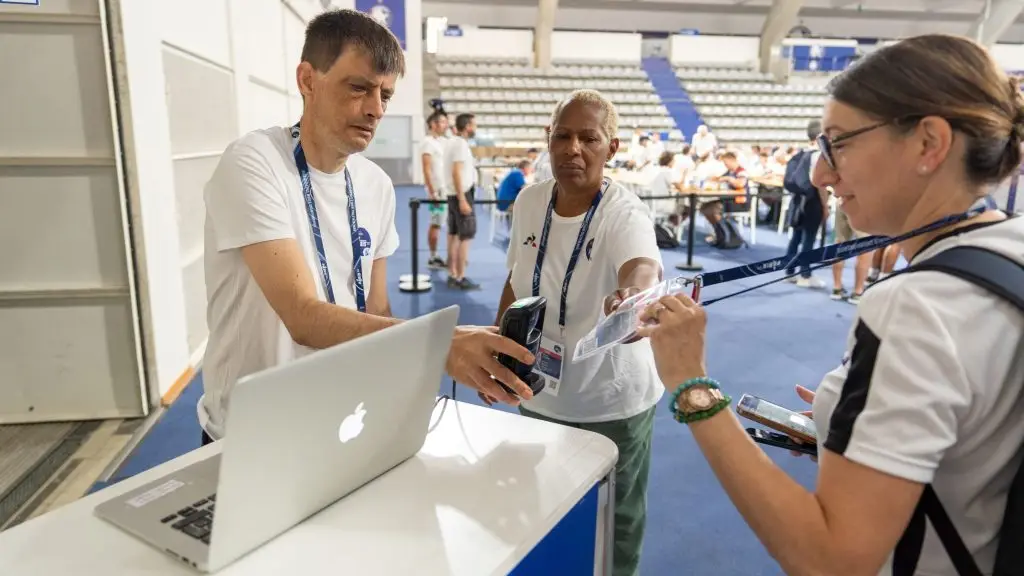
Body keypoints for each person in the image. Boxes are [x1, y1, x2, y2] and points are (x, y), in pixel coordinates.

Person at [639, 34, 1024, 575]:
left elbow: (829, 559)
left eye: (838, 143)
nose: (821, 173)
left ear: (928, 144)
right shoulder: (1009, 246)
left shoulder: (915, 306)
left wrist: (691, 385)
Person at [200, 9, 536, 443]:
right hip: (251, 434)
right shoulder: (254, 163)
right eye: (359, 88)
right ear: (307, 80)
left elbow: (375, 311)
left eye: (386, 95)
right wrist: (440, 344)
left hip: (341, 422)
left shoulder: (375, 185)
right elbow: (302, 317)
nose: (376, 109)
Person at [490, 89, 664, 576]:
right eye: (563, 136)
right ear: (548, 141)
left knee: (616, 523)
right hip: (538, 392)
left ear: (612, 148)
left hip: (611, 402)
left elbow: (642, 268)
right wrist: (503, 357)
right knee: (539, 509)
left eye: (589, 138)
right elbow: (515, 281)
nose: (573, 149)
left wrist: (632, 297)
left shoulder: (623, 212)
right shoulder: (528, 202)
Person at [783, 120, 829, 288]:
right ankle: (805, 274)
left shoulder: (800, 154)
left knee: (796, 236)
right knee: (809, 238)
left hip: (797, 200)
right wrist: (825, 206)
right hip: (812, 201)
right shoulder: (817, 155)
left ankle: (789, 270)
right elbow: (820, 184)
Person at [444, 113, 480, 290]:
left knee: (455, 235)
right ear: (467, 127)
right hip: (461, 194)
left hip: (455, 194)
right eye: (474, 125)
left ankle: (453, 273)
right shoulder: (459, 144)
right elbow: (456, 172)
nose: (476, 128)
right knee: (465, 236)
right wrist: (462, 200)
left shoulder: (454, 142)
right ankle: (460, 277)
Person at [421, 110, 449, 270]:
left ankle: (438, 255)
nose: (446, 125)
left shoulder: (443, 142)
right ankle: (433, 257)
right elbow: (426, 170)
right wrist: (432, 194)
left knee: (442, 224)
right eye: (443, 122)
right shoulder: (427, 142)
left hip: (446, 190)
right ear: (433, 124)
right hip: (437, 192)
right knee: (436, 223)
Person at [830, 203, 871, 303]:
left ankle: (837, 288)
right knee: (865, 245)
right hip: (862, 202)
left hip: (842, 200)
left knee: (840, 243)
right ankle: (857, 292)